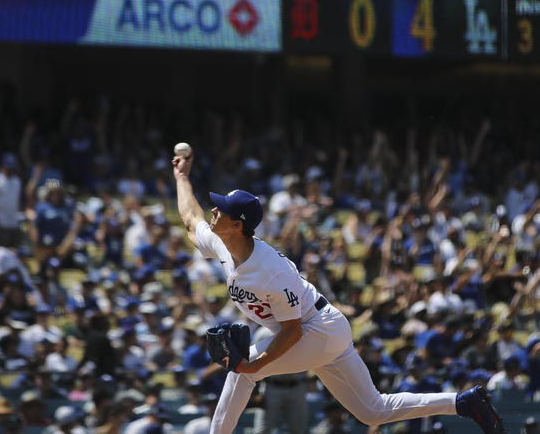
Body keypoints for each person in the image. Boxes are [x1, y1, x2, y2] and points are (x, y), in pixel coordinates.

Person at [170, 149, 503, 434]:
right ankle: (463, 403)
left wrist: (255, 366)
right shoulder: (225, 243)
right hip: (323, 328)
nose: (213, 211)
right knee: (373, 410)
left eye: (221, 209)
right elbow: (189, 218)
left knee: (241, 373)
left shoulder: (271, 271)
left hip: (315, 330)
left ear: (237, 224)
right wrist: (182, 176)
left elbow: (293, 330)